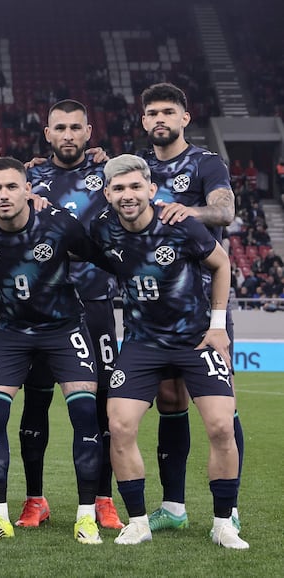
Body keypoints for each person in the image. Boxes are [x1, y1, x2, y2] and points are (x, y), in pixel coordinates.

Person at [89, 154, 247, 549]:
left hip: (195, 340)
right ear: (107, 194)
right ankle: (139, 520)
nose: (128, 196)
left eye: (135, 187)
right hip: (143, 343)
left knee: (221, 426)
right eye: (119, 189)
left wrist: (216, 327)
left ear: (151, 190)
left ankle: (223, 522)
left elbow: (222, 264)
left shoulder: (179, 224)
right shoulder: (102, 230)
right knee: (120, 426)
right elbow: (60, 241)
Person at [0, 157, 104, 544]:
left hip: (63, 328)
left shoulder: (58, 224)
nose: (4, 195)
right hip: (10, 332)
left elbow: (103, 255)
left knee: (85, 412)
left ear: (28, 189)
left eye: (11, 187)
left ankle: (86, 517)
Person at [138, 82, 243, 533]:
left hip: (204, 304)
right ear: (143, 122)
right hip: (156, 310)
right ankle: (174, 507)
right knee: (168, 400)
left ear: (185, 118)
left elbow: (225, 211)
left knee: (222, 407)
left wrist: (184, 211)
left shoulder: (205, 163)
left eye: (168, 112)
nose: (159, 119)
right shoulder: (137, 169)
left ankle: (230, 507)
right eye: (152, 113)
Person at [17, 100, 123, 530]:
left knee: (102, 406)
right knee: (36, 402)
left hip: (96, 304)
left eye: (75, 128)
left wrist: (113, 162)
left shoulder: (108, 175)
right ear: (47, 133)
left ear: (88, 131)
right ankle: (35, 499)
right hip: (43, 307)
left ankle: (102, 499)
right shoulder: (29, 177)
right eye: (59, 127)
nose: (67, 135)